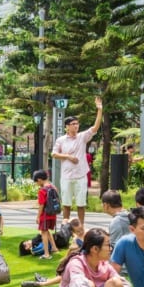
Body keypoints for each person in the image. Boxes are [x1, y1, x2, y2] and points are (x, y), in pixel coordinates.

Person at [51, 96, 103, 227]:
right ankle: (66, 227)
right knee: (66, 203)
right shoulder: (61, 140)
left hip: (81, 175)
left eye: (77, 124)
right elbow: (54, 154)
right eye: (73, 124)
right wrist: (68, 157)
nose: (76, 126)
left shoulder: (82, 137)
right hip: (67, 176)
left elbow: (95, 127)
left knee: (81, 204)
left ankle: (81, 227)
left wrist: (99, 109)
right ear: (67, 126)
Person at [33, 170, 58, 259]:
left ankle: (46, 254)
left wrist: (38, 217)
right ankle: (54, 248)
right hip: (53, 214)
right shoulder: (53, 187)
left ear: (39, 180)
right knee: (46, 231)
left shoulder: (42, 191)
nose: (37, 184)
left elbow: (41, 205)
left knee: (43, 232)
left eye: (36, 182)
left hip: (45, 215)